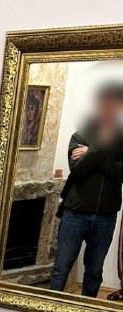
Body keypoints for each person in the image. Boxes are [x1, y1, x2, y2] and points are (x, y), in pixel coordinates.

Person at [50, 82, 123, 297]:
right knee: (61, 268)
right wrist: (101, 148)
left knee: (94, 271)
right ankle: (50, 309)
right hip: (75, 213)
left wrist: (91, 152)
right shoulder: (79, 136)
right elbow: (79, 170)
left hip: (106, 216)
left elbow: (121, 174)